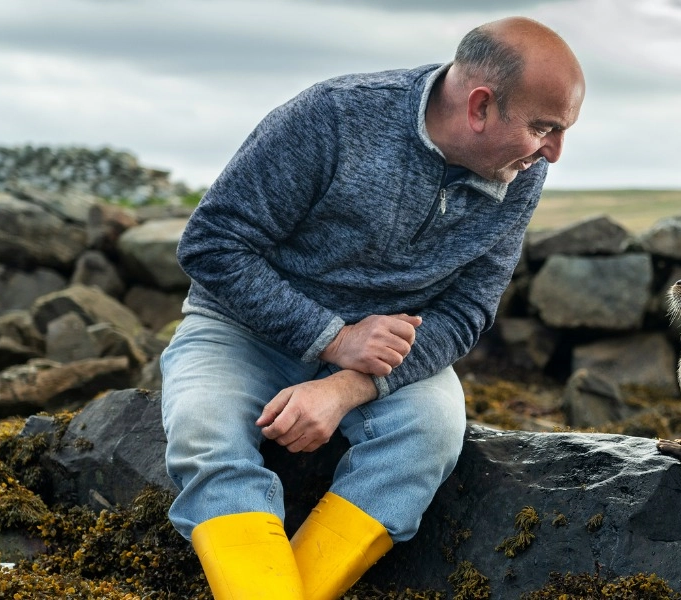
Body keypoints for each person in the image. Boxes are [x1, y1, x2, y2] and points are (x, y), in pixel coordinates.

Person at [159, 16, 584, 600]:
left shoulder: (520, 172)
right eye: (544, 128)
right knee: (204, 434)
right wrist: (333, 339)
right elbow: (211, 245)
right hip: (241, 331)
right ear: (480, 106)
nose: (554, 153)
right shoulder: (332, 117)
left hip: (385, 356)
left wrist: (346, 385)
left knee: (431, 432)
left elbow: (468, 311)